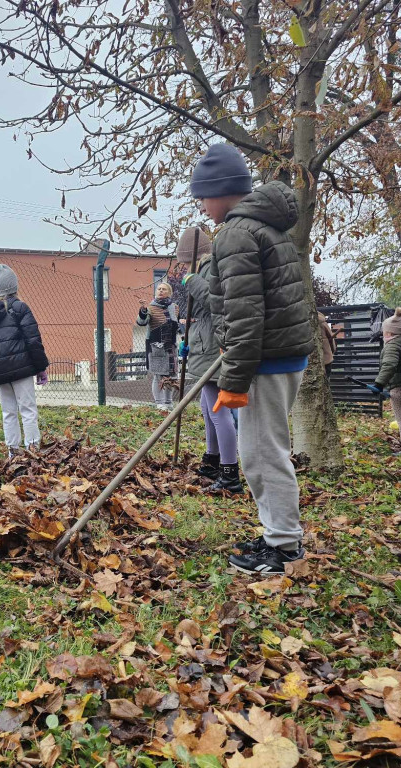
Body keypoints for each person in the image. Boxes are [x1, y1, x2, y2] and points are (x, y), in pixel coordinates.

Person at [190, 143, 315, 575]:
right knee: (262, 450)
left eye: (203, 195)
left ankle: (283, 549)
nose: (202, 205)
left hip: (264, 360)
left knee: (262, 455)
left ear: (223, 190)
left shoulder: (238, 233)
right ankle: (276, 534)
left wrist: (234, 380)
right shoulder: (265, 226)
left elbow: (244, 315)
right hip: (280, 355)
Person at [176, 226, 243, 493]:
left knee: (218, 411)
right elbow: (202, 318)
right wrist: (187, 340)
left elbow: (215, 303)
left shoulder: (208, 269)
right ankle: (212, 459)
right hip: (203, 346)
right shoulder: (204, 269)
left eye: (184, 261)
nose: (182, 267)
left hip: (212, 349)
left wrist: (191, 280)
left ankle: (229, 473)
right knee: (208, 408)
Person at [0, 264, 49, 455]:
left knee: (8, 412)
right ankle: (32, 448)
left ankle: (13, 452)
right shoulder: (19, 308)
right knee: (27, 409)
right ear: (14, 286)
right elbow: (33, 340)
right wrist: (40, 367)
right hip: (22, 369)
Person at [369, 308, 401, 454]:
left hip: (400, 388)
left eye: (384, 332)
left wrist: (379, 384)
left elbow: (389, 365)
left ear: (390, 333)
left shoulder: (392, 345)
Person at [137, 282, 180, 411]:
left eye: (164, 289)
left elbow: (179, 326)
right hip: (156, 346)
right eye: (159, 289)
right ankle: (159, 403)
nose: (161, 291)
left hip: (171, 346)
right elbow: (141, 322)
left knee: (171, 375)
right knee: (159, 375)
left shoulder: (175, 307)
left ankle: (168, 402)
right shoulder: (150, 307)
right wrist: (143, 310)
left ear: (169, 292)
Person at [318, 312, 337, 379]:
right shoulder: (322, 321)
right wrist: (332, 351)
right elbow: (331, 339)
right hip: (326, 359)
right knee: (325, 380)